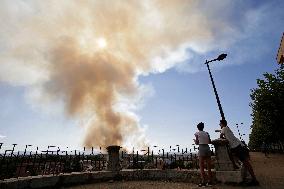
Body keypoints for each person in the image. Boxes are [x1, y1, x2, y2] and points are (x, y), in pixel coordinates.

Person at [219, 119, 259, 186]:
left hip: (236, 147)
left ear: (222, 124)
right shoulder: (227, 129)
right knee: (243, 162)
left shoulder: (224, 128)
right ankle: (252, 178)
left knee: (246, 163)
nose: (219, 125)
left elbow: (221, 136)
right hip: (238, 146)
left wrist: (222, 136)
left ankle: (254, 180)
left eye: (220, 124)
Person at [194, 122, 213, 187]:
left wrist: (195, 141)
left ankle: (203, 182)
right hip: (207, 148)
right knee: (209, 167)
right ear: (203, 127)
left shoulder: (197, 133)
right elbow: (210, 141)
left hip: (201, 148)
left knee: (201, 167)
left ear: (198, 127)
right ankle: (210, 182)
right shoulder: (207, 133)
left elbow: (197, 143)